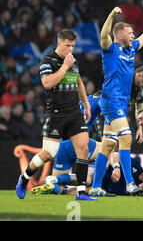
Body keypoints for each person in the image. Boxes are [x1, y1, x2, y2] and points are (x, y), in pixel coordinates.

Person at [90, 6, 143, 197]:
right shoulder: (111, 49)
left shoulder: (131, 48)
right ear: (119, 35)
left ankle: (95, 187)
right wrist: (111, 15)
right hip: (110, 99)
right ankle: (129, 184)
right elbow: (104, 35)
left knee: (108, 145)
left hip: (121, 102)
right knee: (125, 138)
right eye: (130, 32)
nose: (133, 34)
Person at [16, 29, 96, 201]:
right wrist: (65, 66)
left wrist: (86, 104)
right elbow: (47, 83)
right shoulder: (47, 61)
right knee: (48, 154)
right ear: (59, 43)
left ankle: (81, 192)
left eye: (73, 46)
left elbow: (79, 81)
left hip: (74, 112)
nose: (70, 49)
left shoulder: (73, 61)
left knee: (83, 148)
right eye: (67, 45)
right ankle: (24, 178)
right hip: (56, 114)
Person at [30, 91, 106, 196]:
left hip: (61, 145)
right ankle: (96, 186)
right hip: (78, 142)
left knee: (61, 188)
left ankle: (53, 183)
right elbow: (106, 105)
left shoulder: (76, 101)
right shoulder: (97, 100)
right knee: (107, 150)